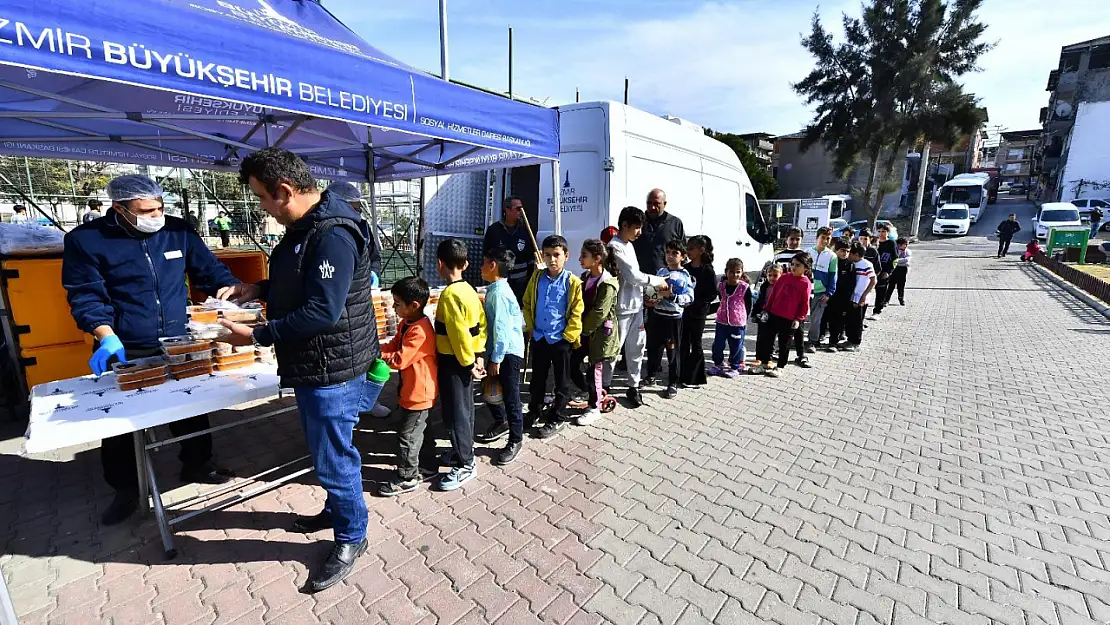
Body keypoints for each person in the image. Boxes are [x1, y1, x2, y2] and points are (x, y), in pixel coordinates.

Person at [218, 148, 382, 593]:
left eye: (262, 199)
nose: (261, 207)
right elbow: (302, 281)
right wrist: (258, 286)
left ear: (285, 191)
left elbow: (322, 311)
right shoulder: (306, 227)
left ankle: (352, 537)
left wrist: (256, 335)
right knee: (327, 455)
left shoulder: (331, 233)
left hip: (333, 368)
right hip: (318, 364)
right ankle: (338, 509)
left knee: (334, 459)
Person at [62, 174, 239, 527]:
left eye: (160, 208)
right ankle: (127, 488)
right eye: (147, 210)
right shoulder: (87, 240)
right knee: (123, 419)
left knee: (191, 404)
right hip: (126, 341)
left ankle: (198, 464)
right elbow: (85, 294)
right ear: (120, 209)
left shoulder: (178, 231)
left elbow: (210, 271)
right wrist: (105, 334)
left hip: (179, 338)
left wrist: (233, 291)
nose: (156, 216)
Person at [430, 239, 487, 492]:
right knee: (466, 410)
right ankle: (462, 450)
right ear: (465, 264)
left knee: (455, 413)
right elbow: (480, 326)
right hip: (468, 359)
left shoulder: (450, 295)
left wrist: (468, 362)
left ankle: (466, 464)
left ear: (440, 264)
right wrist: (479, 355)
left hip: (455, 362)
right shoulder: (470, 290)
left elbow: (458, 333)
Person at [377, 277, 439, 496]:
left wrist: (379, 356)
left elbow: (400, 359)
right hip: (411, 391)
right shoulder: (407, 323)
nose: (394, 308)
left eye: (397, 304)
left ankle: (407, 477)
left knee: (408, 437)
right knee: (422, 432)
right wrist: (378, 347)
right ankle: (429, 466)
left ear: (414, 306)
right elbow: (394, 344)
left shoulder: (420, 331)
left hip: (419, 394)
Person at [608, 207, 670, 407]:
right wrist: (657, 281)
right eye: (636, 227)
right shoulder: (614, 246)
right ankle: (604, 387)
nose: (639, 232)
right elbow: (633, 276)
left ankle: (633, 386)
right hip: (620, 307)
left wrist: (647, 296)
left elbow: (637, 277)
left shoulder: (629, 245)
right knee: (613, 349)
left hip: (635, 305)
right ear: (624, 225)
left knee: (637, 348)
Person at [523, 235, 584, 439]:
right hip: (540, 338)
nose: (552, 260)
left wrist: (569, 336)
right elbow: (528, 302)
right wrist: (530, 327)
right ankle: (534, 410)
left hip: (561, 341)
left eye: (557, 255)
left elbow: (577, 311)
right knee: (537, 379)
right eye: (547, 255)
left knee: (562, 381)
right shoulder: (537, 277)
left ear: (566, 256)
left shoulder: (573, 282)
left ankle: (557, 416)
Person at [475, 247, 527, 465]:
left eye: (484, 262)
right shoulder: (496, 289)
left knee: (511, 396)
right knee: (489, 390)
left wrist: (496, 359)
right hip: (499, 351)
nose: (480, 266)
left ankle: (516, 439)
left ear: (493, 266)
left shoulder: (499, 293)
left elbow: (502, 329)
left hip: (508, 353)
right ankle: (500, 421)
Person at [574, 239, 621, 426]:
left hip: (600, 335)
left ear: (597, 259)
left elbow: (600, 312)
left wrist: (583, 330)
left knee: (595, 370)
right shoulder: (585, 277)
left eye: (584, 256)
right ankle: (590, 391)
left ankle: (594, 407)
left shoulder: (608, 283)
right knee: (573, 363)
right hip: (585, 332)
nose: (580, 259)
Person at [645, 239, 694, 398]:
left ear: (683, 256)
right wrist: (649, 300)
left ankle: (673, 382)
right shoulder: (660, 272)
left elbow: (689, 298)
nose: (670, 256)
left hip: (673, 320)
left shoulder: (685, 276)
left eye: (675, 253)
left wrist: (672, 296)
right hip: (657, 317)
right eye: (668, 252)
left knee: (673, 352)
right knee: (653, 348)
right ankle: (650, 375)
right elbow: (652, 292)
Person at [751, 252, 812, 378]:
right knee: (767, 340)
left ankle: (780, 366)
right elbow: (773, 295)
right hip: (773, 314)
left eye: (798, 265)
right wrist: (766, 310)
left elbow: (804, 303)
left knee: (784, 344)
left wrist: (798, 319)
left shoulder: (805, 283)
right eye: (792, 264)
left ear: (806, 268)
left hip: (789, 319)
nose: (793, 267)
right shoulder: (784, 277)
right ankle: (764, 363)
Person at [483, 196, 538, 303]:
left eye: (522, 208)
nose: (521, 212)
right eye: (517, 209)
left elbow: (532, 255)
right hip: (499, 280)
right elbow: (486, 255)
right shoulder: (494, 230)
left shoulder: (526, 229)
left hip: (521, 282)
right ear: (507, 210)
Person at [679, 235, 716, 387]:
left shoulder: (707, 270)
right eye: (687, 248)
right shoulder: (685, 269)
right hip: (684, 312)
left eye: (691, 249)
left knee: (696, 343)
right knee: (683, 343)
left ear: (701, 251)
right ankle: (682, 373)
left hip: (698, 313)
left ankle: (696, 376)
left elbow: (712, 293)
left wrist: (699, 304)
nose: (688, 252)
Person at [707, 258, 752, 378]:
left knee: (736, 345)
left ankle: (735, 366)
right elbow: (721, 299)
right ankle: (718, 364)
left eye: (738, 272)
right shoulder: (721, 286)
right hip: (721, 321)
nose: (735, 275)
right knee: (718, 344)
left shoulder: (744, 287)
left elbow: (748, 305)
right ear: (726, 272)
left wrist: (742, 317)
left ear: (742, 272)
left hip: (737, 324)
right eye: (731, 272)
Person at [633, 189, 686, 275]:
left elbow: (683, 251)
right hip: (640, 278)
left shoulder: (675, 223)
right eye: (649, 203)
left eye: (656, 204)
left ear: (664, 204)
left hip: (665, 279)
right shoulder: (638, 222)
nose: (652, 207)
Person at [805, 227, 837, 352]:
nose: (825, 240)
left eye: (828, 238)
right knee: (801, 316)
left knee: (816, 318)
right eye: (822, 237)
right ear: (817, 238)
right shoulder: (808, 252)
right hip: (806, 290)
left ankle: (812, 341)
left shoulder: (832, 256)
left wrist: (829, 293)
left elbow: (833, 276)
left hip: (820, 292)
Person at [842, 242, 877, 351]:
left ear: (856, 254)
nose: (848, 255)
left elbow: (873, 280)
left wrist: (864, 295)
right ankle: (849, 339)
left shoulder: (866, 265)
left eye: (850, 253)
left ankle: (856, 342)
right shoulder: (852, 264)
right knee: (850, 319)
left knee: (857, 321)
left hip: (860, 298)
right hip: (851, 296)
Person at [824, 239, 856, 351]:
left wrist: (848, 299)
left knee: (837, 321)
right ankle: (817, 339)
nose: (845, 253)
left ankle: (833, 342)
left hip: (842, 298)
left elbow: (852, 284)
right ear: (836, 250)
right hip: (828, 295)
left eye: (847, 251)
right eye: (842, 250)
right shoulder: (830, 261)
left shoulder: (850, 265)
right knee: (824, 318)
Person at [749, 263, 780, 372]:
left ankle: (768, 359)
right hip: (763, 314)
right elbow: (759, 300)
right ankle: (758, 358)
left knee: (771, 338)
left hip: (775, 315)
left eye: (775, 275)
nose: (772, 278)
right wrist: (754, 313)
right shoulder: (764, 286)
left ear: (780, 275)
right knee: (761, 337)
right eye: (770, 275)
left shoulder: (781, 287)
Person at [871, 224, 897, 317]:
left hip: (883, 272)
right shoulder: (874, 242)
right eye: (879, 231)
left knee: (881, 292)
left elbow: (895, 259)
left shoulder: (891, 244)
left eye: (883, 231)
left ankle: (877, 311)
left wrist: (888, 271)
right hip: (871, 271)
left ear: (888, 232)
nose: (881, 234)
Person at [886, 238, 912, 307]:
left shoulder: (908, 251)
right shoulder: (894, 250)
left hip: (903, 270)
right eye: (904, 244)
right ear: (899, 245)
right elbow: (892, 259)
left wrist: (897, 261)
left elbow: (906, 260)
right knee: (891, 285)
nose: (906, 246)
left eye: (907, 244)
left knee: (901, 286)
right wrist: (898, 261)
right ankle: (886, 300)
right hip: (894, 269)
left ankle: (901, 299)